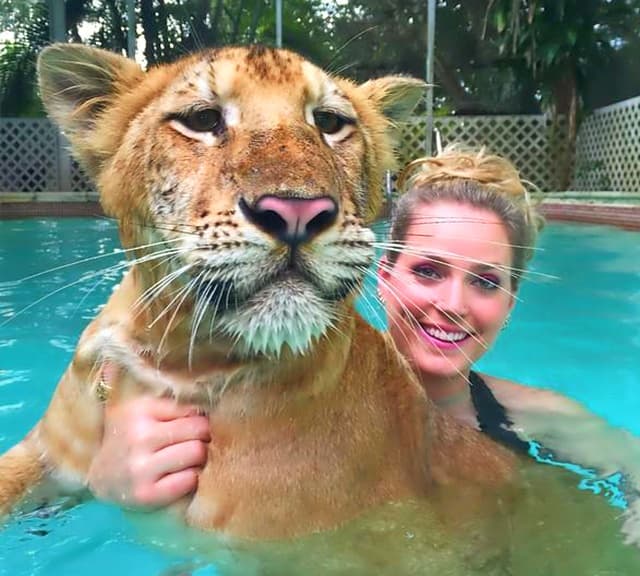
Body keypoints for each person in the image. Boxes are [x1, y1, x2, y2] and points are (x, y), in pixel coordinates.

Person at [87, 148, 640, 540]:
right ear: (383, 277)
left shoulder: (536, 417)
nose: (454, 303)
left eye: (486, 282)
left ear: (511, 304)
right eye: (428, 271)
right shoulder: (267, 392)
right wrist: (110, 482)